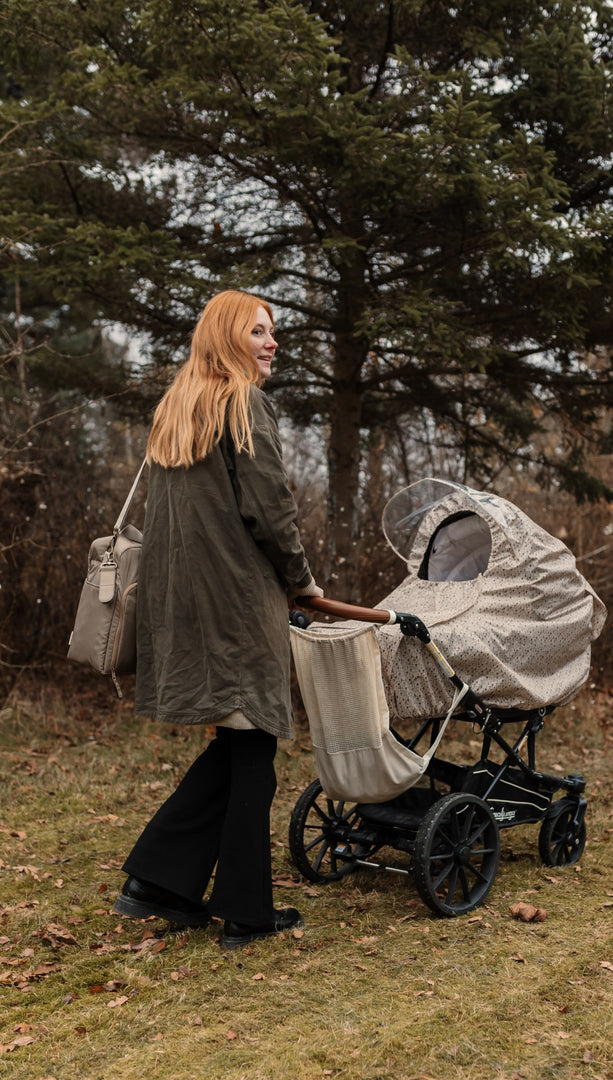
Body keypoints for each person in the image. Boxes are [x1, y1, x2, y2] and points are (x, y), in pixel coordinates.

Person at [112, 289, 322, 950]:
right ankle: (246, 914)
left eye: (273, 332)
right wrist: (302, 580)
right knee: (254, 744)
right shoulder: (242, 402)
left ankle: (156, 881)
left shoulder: (179, 405)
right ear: (229, 338)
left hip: (183, 602)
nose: (272, 343)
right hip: (234, 601)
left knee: (236, 745)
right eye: (259, 332)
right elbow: (271, 510)